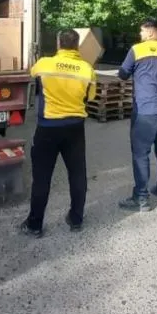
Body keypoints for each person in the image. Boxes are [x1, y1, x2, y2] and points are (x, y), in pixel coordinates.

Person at [20, 29, 97, 237]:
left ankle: (34, 225)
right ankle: (76, 219)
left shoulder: (44, 64)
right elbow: (89, 98)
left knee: (42, 177)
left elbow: (30, 76)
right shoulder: (87, 69)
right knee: (77, 173)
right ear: (77, 46)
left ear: (58, 43)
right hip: (75, 128)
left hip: (48, 127)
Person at [117, 19, 157, 211]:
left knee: (141, 152)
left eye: (142, 31)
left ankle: (141, 198)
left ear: (151, 32)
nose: (140, 35)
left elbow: (123, 74)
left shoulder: (138, 49)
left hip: (146, 108)